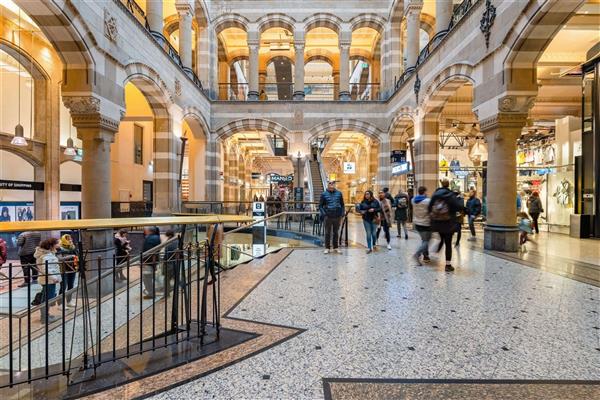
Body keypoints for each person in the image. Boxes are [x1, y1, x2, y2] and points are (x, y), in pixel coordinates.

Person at [428, 179, 464, 272]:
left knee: (442, 238)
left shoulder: (435, 194)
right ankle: (448, 265)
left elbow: (429, 207)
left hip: (438, 223)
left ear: (441, 184)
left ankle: (436, 250)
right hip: (449, 223)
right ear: (448, 185)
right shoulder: (451, 195)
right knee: (448, 243)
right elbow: (458, 206)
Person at [34, 238, 62, 324]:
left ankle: (46, 315)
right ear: (51, 245)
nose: (59, 244)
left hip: (47, 280)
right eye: (57, 243)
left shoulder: (47, 254)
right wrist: (54, 278)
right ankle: (44, 318)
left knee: (46, 298)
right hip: (49, 280)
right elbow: (47, 269)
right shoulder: (47, 256)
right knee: (47, 299)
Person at [319, 181, 345, 254]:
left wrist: (342, 213)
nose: (331, 185)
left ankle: (336, 247)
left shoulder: (339, 193)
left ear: (334, 185)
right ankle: (327, 248)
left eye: (333, 184)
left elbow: (342, 204)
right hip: (328, 216)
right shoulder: (324, 194)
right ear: (328, 185)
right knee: (327, 232)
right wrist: (324, 214)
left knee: (336, 232)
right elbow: (320, 206)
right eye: (330, 184)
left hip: (337, 216)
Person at [56, 234, 78, 308]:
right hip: (63, 269)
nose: (70, 240)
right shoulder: (59, 248)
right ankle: (60, 304)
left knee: (71, 285)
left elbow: (77, 255)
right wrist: (71, 256)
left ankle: (69, 301)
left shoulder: (73, 247)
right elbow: (59, 258)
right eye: (68, 239)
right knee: (63, 286)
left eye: (70, 239)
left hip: (72, 268)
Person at [412, 186, 431, 265]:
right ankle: (417, 254)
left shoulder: (413, 200)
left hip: (417, 223)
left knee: (424, 240)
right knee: (426, 241)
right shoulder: (428, 201)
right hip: (426, 223)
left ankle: (426, 256)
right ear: (424, 192)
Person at [142, 226, 161, 299]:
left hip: (149, 262)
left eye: (145, 230)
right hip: (152, 261)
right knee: (150, 277)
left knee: (147, 278)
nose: (144, 231)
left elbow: (149, 251)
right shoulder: (157, 237)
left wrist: (144, 261)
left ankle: (151, 294)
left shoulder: (150, 238)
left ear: (149, 231)